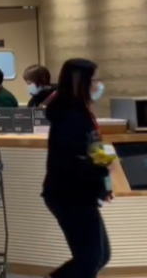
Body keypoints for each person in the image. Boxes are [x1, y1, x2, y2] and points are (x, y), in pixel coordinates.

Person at [43, 58, 113, 278]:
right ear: (80, 82)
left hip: (80, 194)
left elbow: (92, 150)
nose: (98, 85)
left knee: (99, 256)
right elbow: (73, 161)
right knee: (89, 260)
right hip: (69, 194)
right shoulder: (69, 116)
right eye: (94, 80)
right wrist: (99, 177)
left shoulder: (80, 112)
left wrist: (104, 183)